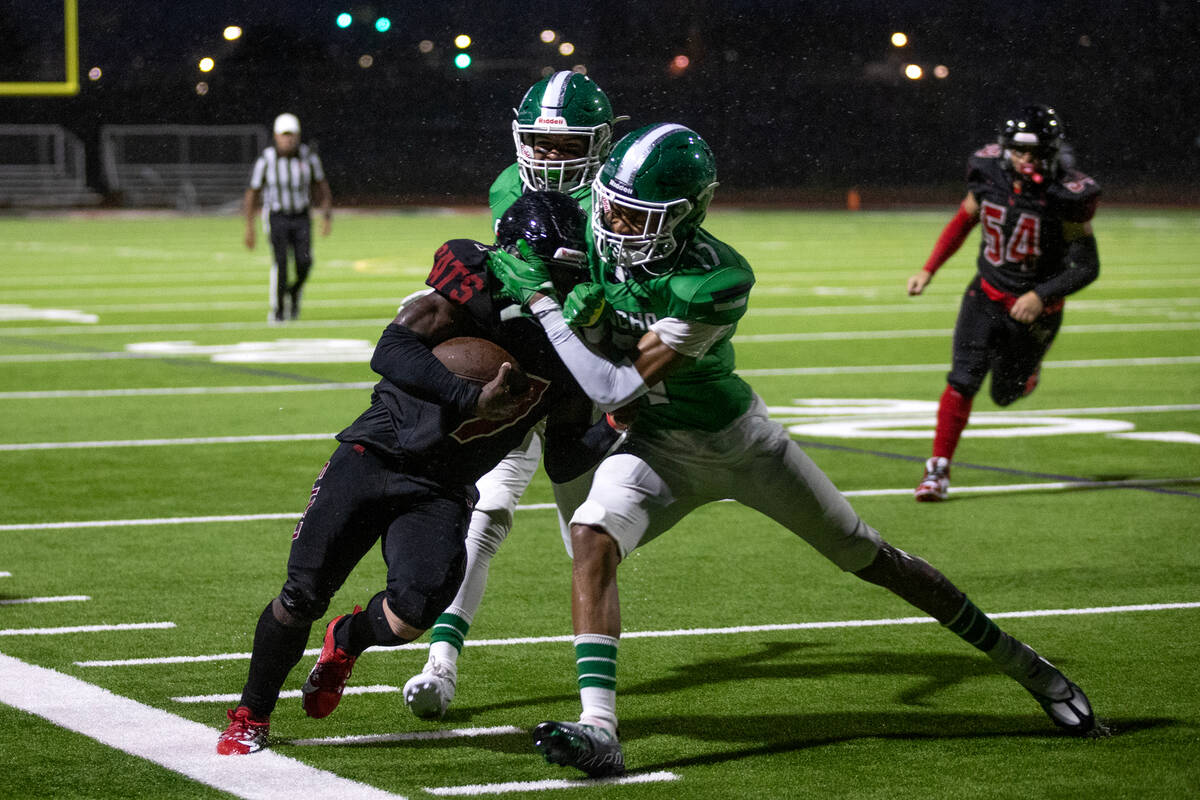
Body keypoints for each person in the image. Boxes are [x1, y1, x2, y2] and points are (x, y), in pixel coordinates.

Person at [490, 123, 1100, 778]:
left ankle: (1027, 666)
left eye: (635, 216)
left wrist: (547, 306)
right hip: (656, 445)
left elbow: (613, 382)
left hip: (738, 442)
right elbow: (526, 257)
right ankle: (600, 729)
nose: (611, 224)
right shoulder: (597, 227)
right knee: (591, 537)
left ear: (685, 216)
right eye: (609, 204)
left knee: (870, 557)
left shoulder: (715, 279)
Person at [216, 192, 622, 755]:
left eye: (572, 272)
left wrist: (618, 424)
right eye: (554, 270)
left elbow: (565, 457)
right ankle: (250, 715)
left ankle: (347, 639)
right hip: (374, 455)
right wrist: (468, 397)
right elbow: (391, 346)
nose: (563, 286)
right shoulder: (472, 289)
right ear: (516, 257)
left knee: (414, 611)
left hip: (442, 487)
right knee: (302, 594)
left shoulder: (569, 349)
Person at [402, 71, 625, 721]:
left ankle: (598, 714)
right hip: (518, 373)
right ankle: (439, 663)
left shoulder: (619, 198)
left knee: (589, 539)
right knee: (486, 512)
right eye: (539, 143)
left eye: (567, 145)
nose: (549, 157)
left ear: (602, 144)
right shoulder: (508, 184)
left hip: (583, 384)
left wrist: (600, 312)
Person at [906, 105, 1100, 501]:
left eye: (1036, 152)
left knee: (1004, 395)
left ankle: (1027, 372)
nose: (1028, 160)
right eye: (1019, 151)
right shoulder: (988, 174)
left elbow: (1087, 266)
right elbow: (963, 220)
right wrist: (929, 269)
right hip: (986, 293)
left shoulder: (1065, 196)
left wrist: (1040, 295)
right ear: (1005, 149)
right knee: (962, 379)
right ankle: (937, 470)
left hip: (1035, 310)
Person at [244, 112, 333, 324]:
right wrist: (249, 226)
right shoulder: (266, 159)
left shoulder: (308, 157)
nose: (288, 139)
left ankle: (293, 293)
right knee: (281, 264)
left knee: (305, 262)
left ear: (298, 135)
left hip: (301, 216)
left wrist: (326, 215)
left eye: (292, 134)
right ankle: (278, 310)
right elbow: (252, 192)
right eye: (284, 135)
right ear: (276, 136)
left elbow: (321, 186)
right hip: (277, 216)